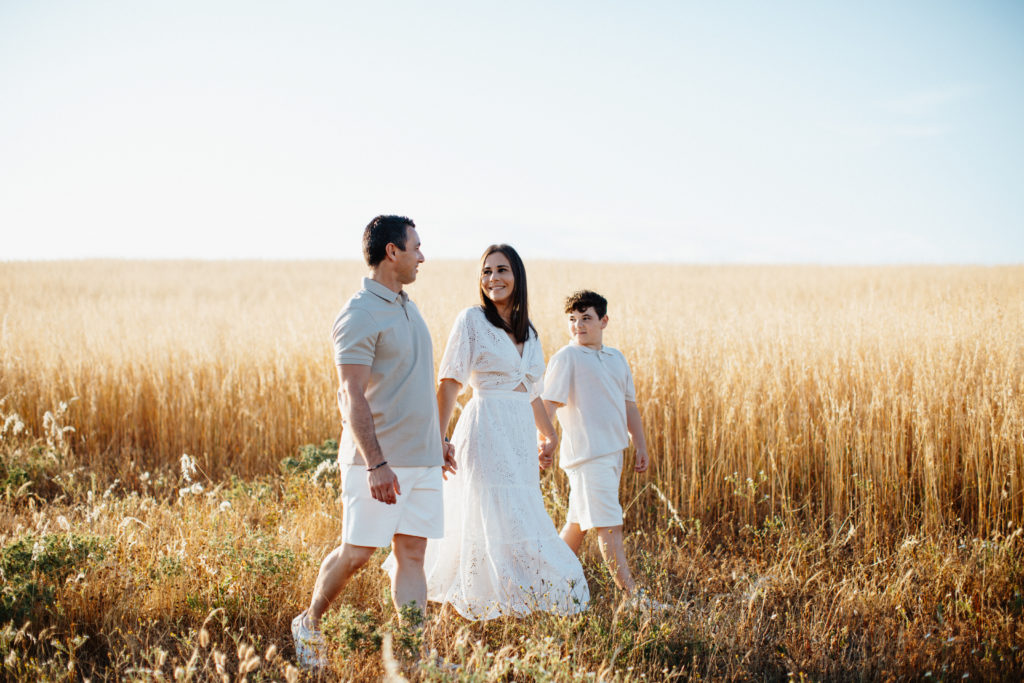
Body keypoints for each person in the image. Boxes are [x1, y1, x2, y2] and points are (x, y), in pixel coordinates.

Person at [292, 215, 456, 669]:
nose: (422, 256)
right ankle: (307, 623)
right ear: (392, 252)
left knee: (412, 554)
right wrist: (376, 463)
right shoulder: (359, 313)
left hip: (422, 459)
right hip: (379, 461)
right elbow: (350, 395)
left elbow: (414, 385)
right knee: (359, 552)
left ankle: (417, 655)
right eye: (416, 247)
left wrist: (436, 440)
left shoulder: (408, 305)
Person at [412, 244, 590, 620]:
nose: (493, 278)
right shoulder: (472, 321)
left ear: (517, 276)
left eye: (502, 270)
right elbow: (448, 383)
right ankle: (483, 591)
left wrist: (549, 435)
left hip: (519, 434)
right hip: (485, 425)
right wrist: (438, 438)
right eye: (487, 272)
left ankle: (517, 591)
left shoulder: (532, 334)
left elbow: (532, 394)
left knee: (520, 509)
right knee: (488, 509)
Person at [542, 290, 667, 611]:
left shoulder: (616, 358)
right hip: (587, 457)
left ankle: (540, 584)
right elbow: (548, 405)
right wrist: (544, 443)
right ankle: (635, 598)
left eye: (586, 318)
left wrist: (639, 443)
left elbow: (629, 406)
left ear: (603, 321)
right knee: (609, 524)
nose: (578, 326)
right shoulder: (566, 358)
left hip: (613, 454)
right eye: (572, 320)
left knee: (577, 525)